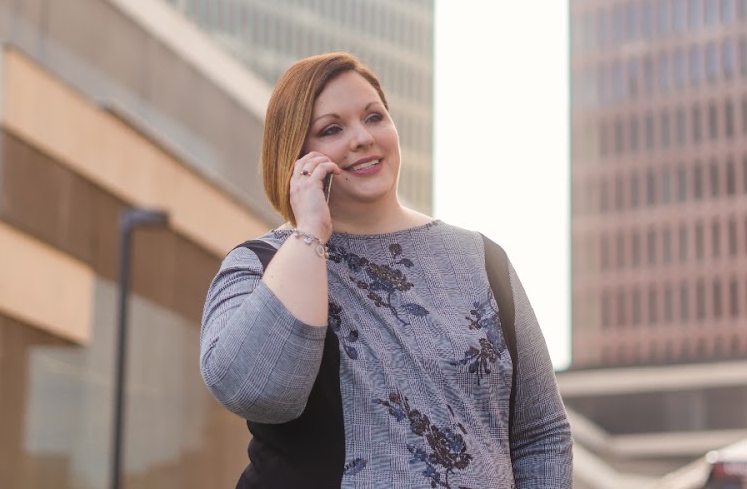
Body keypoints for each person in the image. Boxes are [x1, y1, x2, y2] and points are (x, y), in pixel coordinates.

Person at [200, 52, 572, 488]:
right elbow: (254, 390)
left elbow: (540, 433)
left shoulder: (482, 259)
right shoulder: (257, 265)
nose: (362, 138)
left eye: (374, 117)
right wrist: (310, 233)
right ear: (296, 156)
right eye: (332, 129)